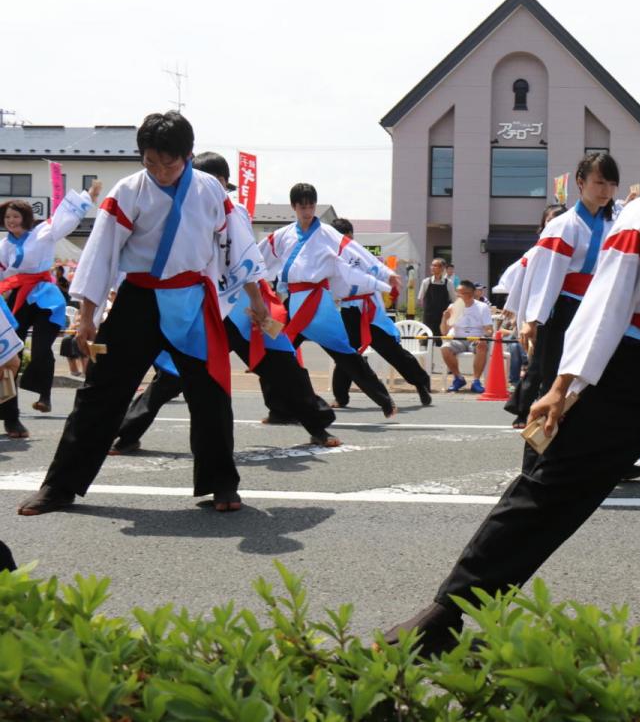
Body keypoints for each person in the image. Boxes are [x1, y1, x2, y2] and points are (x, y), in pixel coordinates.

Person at [385, 89, 640, 657]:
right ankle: (443, 617)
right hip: (630, 368)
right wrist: (562, 387)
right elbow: (606, 305)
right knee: (552, 494)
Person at [17, 111, 270, 516]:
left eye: (169, 163)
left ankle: (222, 483)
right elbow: (101, 254)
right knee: (101, 392)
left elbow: (237, 249)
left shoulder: (210, 190)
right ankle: (59, 487)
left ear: (187, 156)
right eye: (151, 162)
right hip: (139, 298)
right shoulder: (129, 190)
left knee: (211, 392)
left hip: (192, 300)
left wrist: (256, 300)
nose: (161, 172)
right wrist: (87, 316)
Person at [109, 152, 342, 455]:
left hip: (245, 310)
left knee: (283, 366)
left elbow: (245, 259)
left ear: (223, 182)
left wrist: (258, 298)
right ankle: (127, 434)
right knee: (170, 376)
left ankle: (318, 426)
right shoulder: (183, 213)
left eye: (216, 182)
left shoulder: (235, 211)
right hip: (206, 311)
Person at [260, 183, 399, 418]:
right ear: (294, 207)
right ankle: (278, 410)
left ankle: (384, 400)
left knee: (344, 352)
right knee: (272, 351)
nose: (307, 211)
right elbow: (257, 257)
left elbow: (356, 252)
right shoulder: (282, 235)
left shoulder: (328, 233)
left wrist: (385, 273)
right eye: (302, 207)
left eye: (311, 206)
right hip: (292, 302)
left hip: (317, 303)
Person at [517, 153, 619, 403]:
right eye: (599, 182)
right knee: (556, 377)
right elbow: (546, 275)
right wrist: (533, 319)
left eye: (612, 184)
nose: (606, 190)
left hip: (599, 307)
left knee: (595, 382)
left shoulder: (617, 221)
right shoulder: (562, 225)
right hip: (566, 308)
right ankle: (542, 427)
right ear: (580, 182)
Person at [0, 181, 99, 425]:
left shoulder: (43, 232)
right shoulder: (4, 245)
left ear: (26, 217)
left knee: (42, 348)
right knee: (10, 353)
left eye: (16, 216)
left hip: (44, 297)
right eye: (7, 217)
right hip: (17, 297)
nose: (11, 221)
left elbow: (65, 217)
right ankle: (10, 413)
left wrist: (88, 196)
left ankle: (44, 395)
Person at [326, 218, 433, 407]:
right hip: (349, 309)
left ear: (351, 235)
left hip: (369, 309)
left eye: (344, 237)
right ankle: (341, 396)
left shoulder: (361, 254)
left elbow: (379, 270)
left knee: (391, 350)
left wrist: (389, 278)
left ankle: (421, 382)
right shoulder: (330, 257)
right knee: (346, 352)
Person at [500, 204, 567, 427]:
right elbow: (515, 278)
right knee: (538, 365)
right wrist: (522, 313)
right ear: (543, 225)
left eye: (561, 218)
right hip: (542, 316)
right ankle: (523, 410)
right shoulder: (539, 249)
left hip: (567, 312)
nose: (556, 223)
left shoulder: (572, 243)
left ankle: (541, 410)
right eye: (551, 220)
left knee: (554, 366)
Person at [440, 280, 492, 393]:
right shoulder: (453, 307)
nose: (458, 295)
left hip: (476, 339)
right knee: (444, 348)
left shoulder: (483, 307)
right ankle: (458, 378)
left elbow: (489, 329)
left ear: (471, 294)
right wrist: (445, 318)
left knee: (482, 344)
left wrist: (483, 336)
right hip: (458, 339)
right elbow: (444, 332)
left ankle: (476, 381)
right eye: (457, 292)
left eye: (461, 293)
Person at [418, 258, 451, 346]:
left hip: (442, 317)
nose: (432, 267)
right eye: (432, 265)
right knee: (425, 340)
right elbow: (420, 299)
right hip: (428, 317)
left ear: (442, 268)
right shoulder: (426, 282)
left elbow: (453, 300)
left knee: (441, 341)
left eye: (436, 266)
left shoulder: (448, 283)